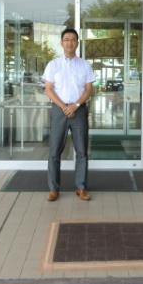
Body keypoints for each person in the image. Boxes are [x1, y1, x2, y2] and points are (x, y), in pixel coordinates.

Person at [42, 28, 95, 201]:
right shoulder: (53, 65)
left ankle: (81, 187)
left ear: (77, 43)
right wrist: (64, 107)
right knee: (54, 151)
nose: (69, 42)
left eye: (73, 40)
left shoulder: (85, 65)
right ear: (61, 43)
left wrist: (76, 105)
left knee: (82, 151)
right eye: (66, 39)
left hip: (79, 111)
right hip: (59, 111)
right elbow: (48, 89)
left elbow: (88, 89)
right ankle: (53, 189)